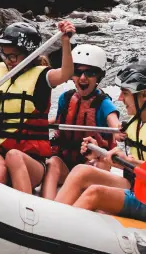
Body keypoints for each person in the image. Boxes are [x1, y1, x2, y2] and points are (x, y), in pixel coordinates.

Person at [54, 61, 146, 231]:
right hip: (144, 191)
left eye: (125, 93)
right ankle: (52, 219)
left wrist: (129, 161)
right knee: (81, 171)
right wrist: (102, 154)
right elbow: (139, 164)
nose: (120, 99)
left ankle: (59, 231)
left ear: (144, 94)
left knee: (96, 193)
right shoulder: (139, 122)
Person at [0, 20, 76, 193]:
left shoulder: (43, 78)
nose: (8, 61)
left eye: (13, 56)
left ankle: (25, 210)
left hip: (30, 159)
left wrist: (66, 42)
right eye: (5, 55)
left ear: (29, 55)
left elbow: (66, 73)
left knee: (14, 156)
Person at [41, 44, 121, 200]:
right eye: (77, 72)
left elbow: (115, 124)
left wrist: (120, 131)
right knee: (53, 163)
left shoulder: (103, 103)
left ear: (99, 77)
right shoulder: (66, 98)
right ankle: (47, 205)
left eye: (90, 73)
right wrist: (34, 122)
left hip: (90, 165)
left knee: (101, 161)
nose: (83, 78)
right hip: (66, 162)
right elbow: (58, 121)